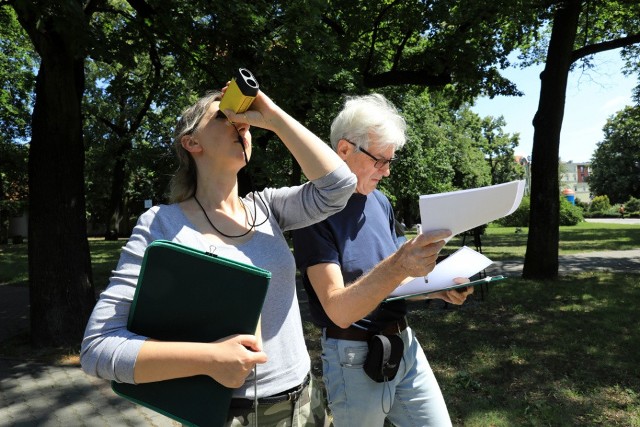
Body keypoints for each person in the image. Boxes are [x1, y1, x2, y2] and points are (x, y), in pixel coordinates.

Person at [80, 85, 357, 426]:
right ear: (191, 142)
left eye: (245, 120)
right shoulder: (163, 225)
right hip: (231, 415)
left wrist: (273, 118)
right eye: (225, 116)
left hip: (305, 400)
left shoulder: (268, 208)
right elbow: (98, 347)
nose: (241, 124)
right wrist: (210, 358)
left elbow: (340, 185)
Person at [292, 94, 473, 426]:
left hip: (405, 345)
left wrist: (436, 289)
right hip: (352, 358)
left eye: (391, 161)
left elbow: (399, 282)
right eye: (380, 160)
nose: (386, 172)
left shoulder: (381, 202)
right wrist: (400, 264)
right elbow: (338, 310)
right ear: (344, 149)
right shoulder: (311, 210)